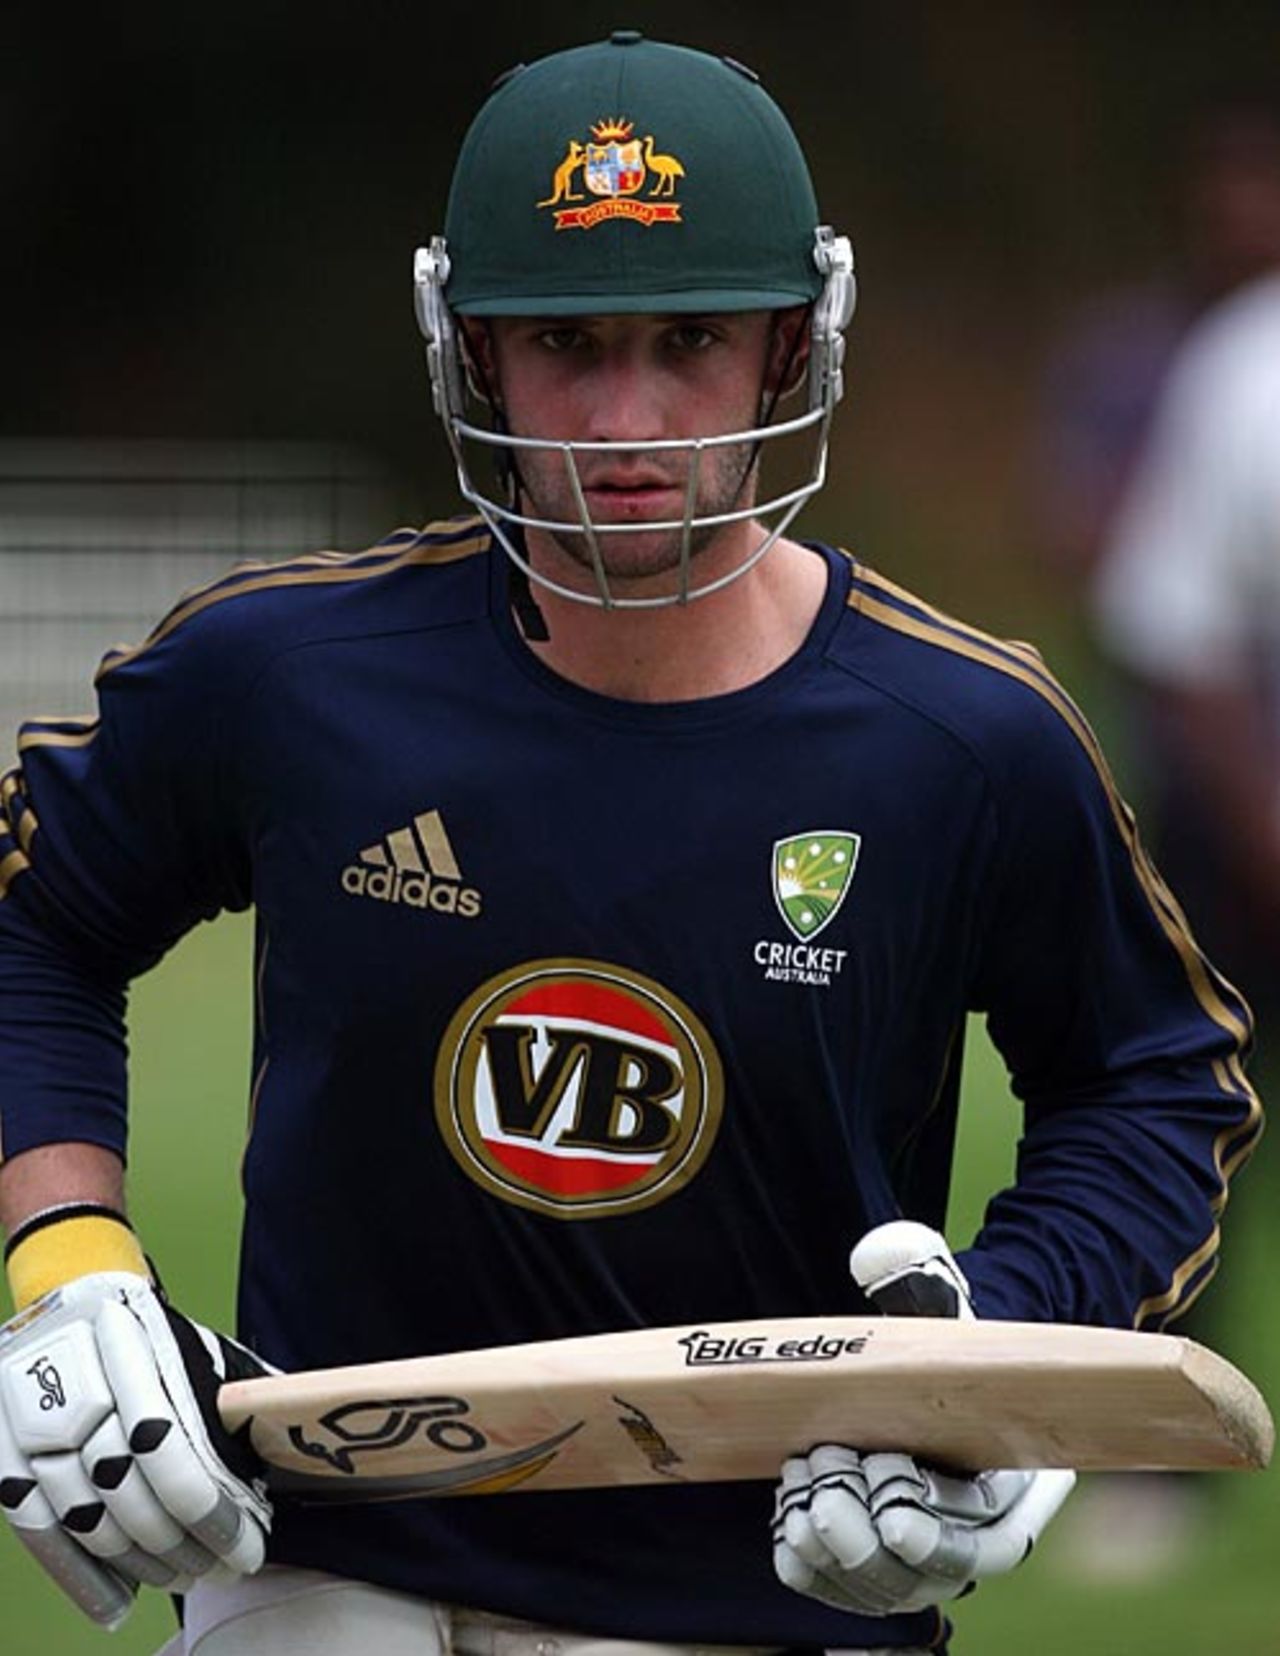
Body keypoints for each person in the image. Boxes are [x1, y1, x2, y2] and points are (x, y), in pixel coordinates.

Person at [0, 33, 1262, 1656]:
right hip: (316, 1567)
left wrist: (1000, 1361)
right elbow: (38, 918)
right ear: (468, 353)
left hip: (774, 1591)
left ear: (793, 350)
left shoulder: (968, 740)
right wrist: (72, 1263)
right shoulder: (288, 676)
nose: (624, 420)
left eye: (690, 341)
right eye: (564, 342)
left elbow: (1153, 1079)